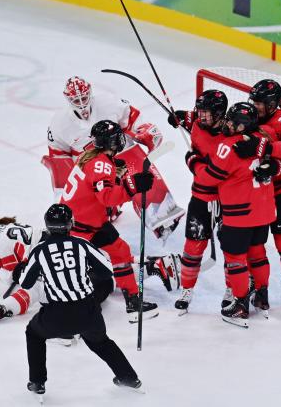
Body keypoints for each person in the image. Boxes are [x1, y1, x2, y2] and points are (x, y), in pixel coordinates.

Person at [60, 119, 179, 323]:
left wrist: (120, 178)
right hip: (80, 230)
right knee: (90, 279)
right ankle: (71, 316)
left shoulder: (91, 157)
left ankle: (133, 301)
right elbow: (107, 198)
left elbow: (95, 188)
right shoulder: (101, 164)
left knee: (120, 251)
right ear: (111, 142)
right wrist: (132, 187)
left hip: (86, 223)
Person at [20, 204, 143, 399]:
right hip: (88, 312)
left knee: (34, 334)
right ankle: (128, 377)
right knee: (101, 342)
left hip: (56, 315)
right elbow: (106, 271)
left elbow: (25, 283)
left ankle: (37, 382)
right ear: (71, 223)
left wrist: (25, 269)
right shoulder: (81, 244)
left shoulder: (40, 251)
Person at [43, 76, 184, 240]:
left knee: (142, 178)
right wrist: (62, 195)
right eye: (76, 99)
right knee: (98, 214)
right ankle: (111, 210)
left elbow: (132, 118)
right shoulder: (59, 123)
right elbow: (59, 158)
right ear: (68, 99)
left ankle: (159, 211)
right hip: (92, 168)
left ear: (90, 91)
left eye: (84, 97)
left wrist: (144, 130)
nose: (82, 103)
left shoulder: (109, 103)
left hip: (122, 153)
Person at [190, 102, 281, 327]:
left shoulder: (227, 145)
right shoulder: (263, 140)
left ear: (243, 126)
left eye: (233, 122)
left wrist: (193, 161)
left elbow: (208, 178)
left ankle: (241, 305)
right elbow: (280, 164)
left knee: (235, 260)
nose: (227, 124)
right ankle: (262, 296)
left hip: (239, 214)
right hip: (264, 211)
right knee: (258, 254)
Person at [232, 79, 281, 313]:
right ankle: (259, 287)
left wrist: (264, 148)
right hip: (258, 193)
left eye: (260, 102)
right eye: (253, 101)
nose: (255, 106)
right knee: (255, 245)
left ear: (274, 103)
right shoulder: (249, 117)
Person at [166, 90, 228, 312]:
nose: (200, 117)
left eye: (206, 113)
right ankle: (187, 288)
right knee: (193, 246)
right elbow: (189, 118)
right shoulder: (198, 122)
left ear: (220, 114)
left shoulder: (230, 133)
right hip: (201, 195)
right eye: (199, 112)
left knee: (232, 248)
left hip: (227, 199)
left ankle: (233, 290)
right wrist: (180, 116)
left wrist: (193, 162)